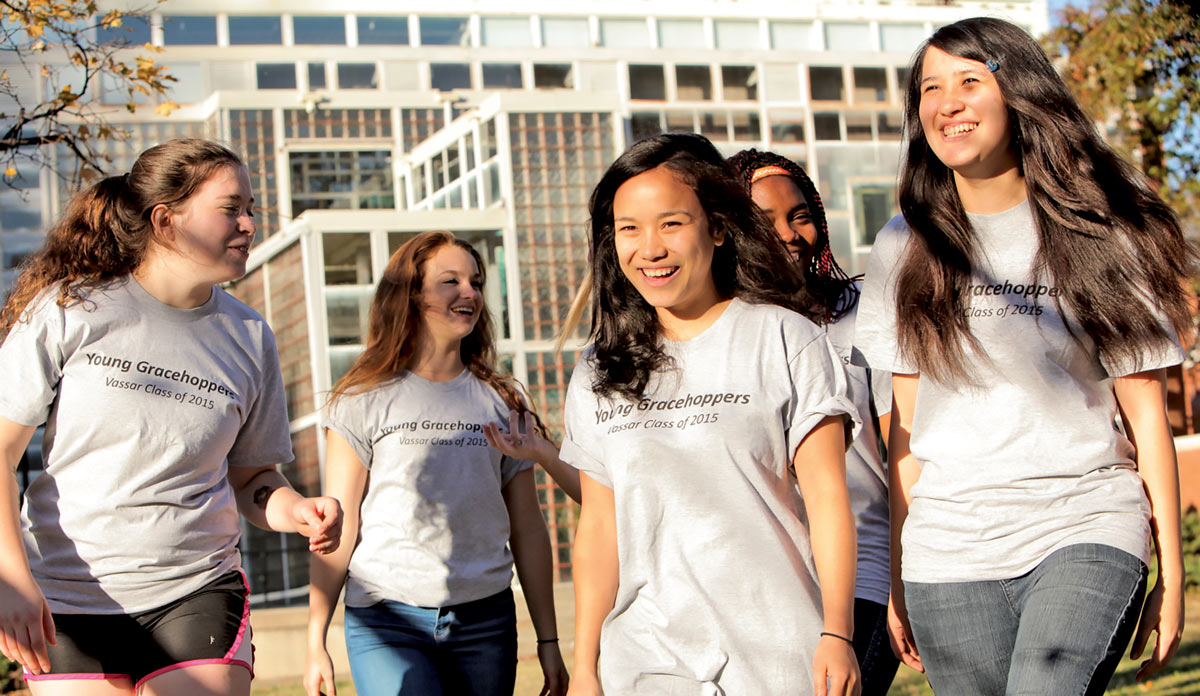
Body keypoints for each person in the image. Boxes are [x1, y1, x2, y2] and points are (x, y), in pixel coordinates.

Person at [853, 17, 1193, 695]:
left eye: (970, 81)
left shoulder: (1099, 229)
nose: (947, 101)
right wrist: (896, 568)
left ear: (1020, 93)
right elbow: (906, 432)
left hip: (1084, 521)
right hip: (948, 549)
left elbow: (1148, 419)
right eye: (930, 88)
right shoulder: (903, 245)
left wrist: (1172, 575)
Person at [0, 138, 343, 696]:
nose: (249, 225)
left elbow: (253, 478)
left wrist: (295, 508)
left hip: (197, 588)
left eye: (250, 210)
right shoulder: (73, 308)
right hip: (66, 596)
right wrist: (11, 579)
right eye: (231, 208)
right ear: (165, 220)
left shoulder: (249, 337)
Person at [561, 132, 862, 696]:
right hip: (645, 662)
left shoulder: (784, 338)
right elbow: (599, 527)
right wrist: (584, 667)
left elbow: (827, 498)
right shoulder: (599, 368)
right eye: (629, 229)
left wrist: (837, 633)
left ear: (718, 229)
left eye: (671, 223)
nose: (649, 248)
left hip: (775, 655)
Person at [304, 231, 569, 696]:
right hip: (387, 619)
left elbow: (527, 527)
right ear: (411, 294)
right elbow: (337, 527)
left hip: (485, 620)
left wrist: (548, 639)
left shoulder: (505, 399)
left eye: (476, 282)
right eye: (450, 281)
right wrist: (315, 638)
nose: (469, 292)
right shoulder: (362, 398)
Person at [729, 148, 899, 696]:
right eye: (765, 221)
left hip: (866, 572)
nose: (789, 234)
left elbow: (903, 450)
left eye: (799, 215)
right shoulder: (728, 331)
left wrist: (901, 577)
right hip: (766, 583)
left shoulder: (861, 312)